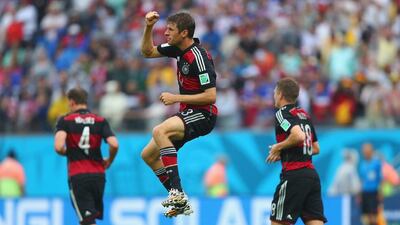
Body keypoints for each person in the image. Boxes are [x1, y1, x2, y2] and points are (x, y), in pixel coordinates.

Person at [140, 11, 218, 217]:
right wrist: (148, 26)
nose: (165, 33)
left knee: (160, 130)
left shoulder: (199, 57)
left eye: (170, 30)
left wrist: (176, 98)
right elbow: (147, 52)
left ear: (184, 33)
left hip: (204, 115)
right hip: (189, 112)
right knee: (148, 155)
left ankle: (177, 194)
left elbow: (210, 96)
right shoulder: (177, 49)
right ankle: (180, 200)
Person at [266, 77, 327, 225]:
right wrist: (285, 152)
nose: (274, 95)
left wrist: (278, 147)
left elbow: (299, 136)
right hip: (311, 176)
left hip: (294, 176)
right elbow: (315, 148)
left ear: (280, 94)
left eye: (275, 92)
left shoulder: (282, 113)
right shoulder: (304, 115)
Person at [54, 88, 119, 225]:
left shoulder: (65, 121)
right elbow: (114, 144)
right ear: (85, 102)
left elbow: (59, 147)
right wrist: (110, 161)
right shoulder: (100, 120)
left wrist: (70, 152)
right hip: (98, 176)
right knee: (89, 220)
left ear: (71, 102)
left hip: (78, 176)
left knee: (87, 221)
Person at [359, 143, 382, 225]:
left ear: (371, 151)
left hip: (373, 192)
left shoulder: (376, 163)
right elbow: (361, 180)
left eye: (367, 151)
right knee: (365, 216)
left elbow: (380, 178)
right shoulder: (362, 164)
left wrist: (380, 192)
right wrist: (360, 194)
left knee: (374, 215)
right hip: (365, 192)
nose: (365, 153)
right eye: (364, 151)